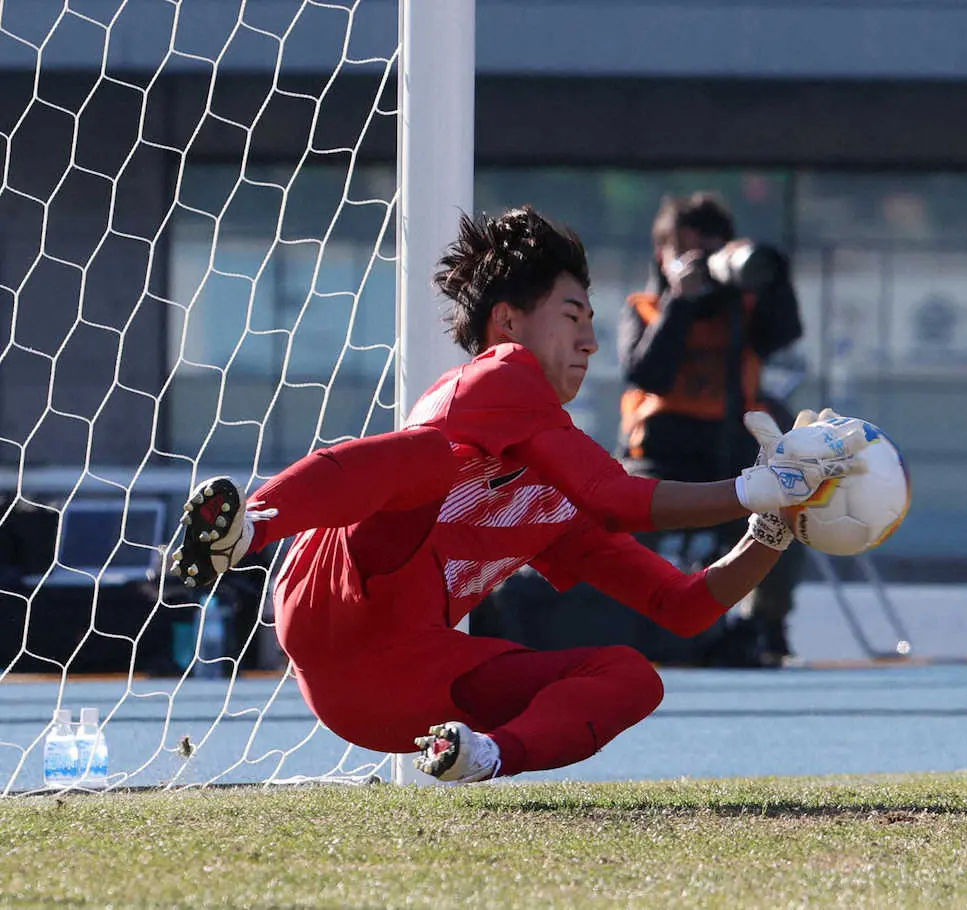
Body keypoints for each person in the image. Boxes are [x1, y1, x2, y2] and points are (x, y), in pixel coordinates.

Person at [170, 206, 862, 784]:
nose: (591, 342)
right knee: (425, 458)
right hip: (333, 603)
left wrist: (772, 525)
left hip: (395, 689)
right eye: (572, 315)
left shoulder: (560, 492)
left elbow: (680, 610)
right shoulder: (501, 374)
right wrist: (758, 485)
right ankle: (249, 530)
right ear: (507, 324)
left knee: (632, 677)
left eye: (591, 321)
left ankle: (483, 756)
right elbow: (618, 496)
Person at [618, 192, 805, 666]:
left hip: (730, 454)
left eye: (707, 251)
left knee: (792, 506)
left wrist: (766, 275)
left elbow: (785, 330)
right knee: (614, 522)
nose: (697, 263)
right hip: (655, 458)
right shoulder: (644, 308)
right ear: (661, 256)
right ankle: (619, 623)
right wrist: (681, 301)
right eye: (683, 251)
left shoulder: (743, 312)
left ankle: (765, 623)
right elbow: (647, 373)